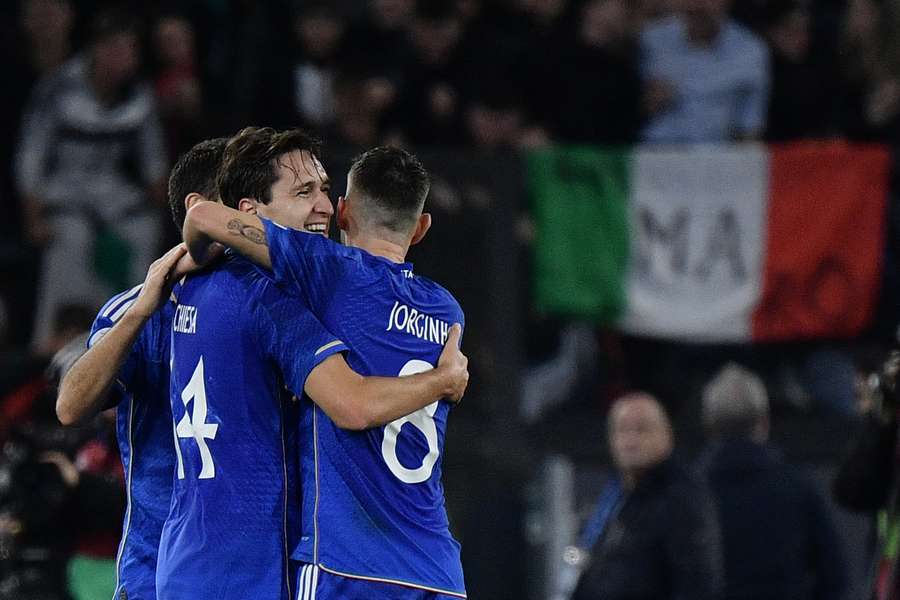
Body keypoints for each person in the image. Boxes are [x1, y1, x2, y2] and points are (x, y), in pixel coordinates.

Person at [58, 134, 468, 600]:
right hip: (200, 568)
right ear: (245, 213)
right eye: (303, 193)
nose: (325, 207)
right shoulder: (258, 304)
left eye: (324, 191)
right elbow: (71, 405)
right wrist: (444, 380)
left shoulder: (290, 293)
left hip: (204, 563)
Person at [184, 144, 468, 598]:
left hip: (349, 564)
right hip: (436, 569)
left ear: (342, 212)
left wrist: (191, 261)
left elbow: (202, 217)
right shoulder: (447, 310)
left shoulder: (330, 271)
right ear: (421, 228)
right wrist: (444, 381)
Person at [16, 9, 169, 350]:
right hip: (65, 195)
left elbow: (153, 160)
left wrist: (164, 208)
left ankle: (129, 343)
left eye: (130, 49)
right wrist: (33, 215)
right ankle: (53, 347)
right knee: (71, 239)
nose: (124, 57)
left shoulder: (138, 95)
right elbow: (31, 157)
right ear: (97, 50)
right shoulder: (58, 87)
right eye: (116, 47)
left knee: (141, 231)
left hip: (112, 194)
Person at [701, 363, 847, 600]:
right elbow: (835, 577)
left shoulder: (684, 493)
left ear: (708, 424)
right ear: (764, 422)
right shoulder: (798, 488)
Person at [569, 392, 723, 600]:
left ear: (666, 434)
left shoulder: (682, 496)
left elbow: (697, 583)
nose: (631, 440)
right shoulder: (615, 496)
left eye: (642, 429)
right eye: (622, 430)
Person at [640, 0, 770, 142]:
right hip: (655, 153)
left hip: (717, 156)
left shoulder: (750, 50)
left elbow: (749, 129)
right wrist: (649, 101)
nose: (696, 6)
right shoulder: (651, 40)